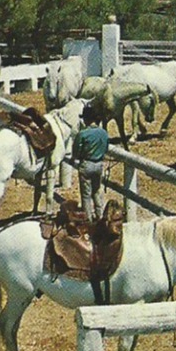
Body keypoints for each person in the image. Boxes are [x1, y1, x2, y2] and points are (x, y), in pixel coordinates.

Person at [67, 105, 114, 303]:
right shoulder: (103, 132)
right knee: (97, 193)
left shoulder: (83, 133)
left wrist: (76, 158)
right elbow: (107, 147)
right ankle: (101, 215)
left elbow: (76, 151)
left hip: (86, 164)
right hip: (99, 163)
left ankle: (88, 220)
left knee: (85, 195)